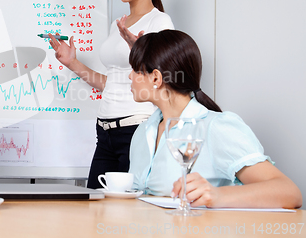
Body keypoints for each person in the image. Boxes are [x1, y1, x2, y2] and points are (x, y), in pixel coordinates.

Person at [128, 29, 302, 208]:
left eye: (134, 70)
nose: (129, 76)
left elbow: (289, 193)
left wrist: (217, 195)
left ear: (156, 78)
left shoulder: (216, 127)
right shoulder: (143, 131)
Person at [49, 0, 174, 188]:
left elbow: (162, 82)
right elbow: (111, 83)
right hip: (104, 131)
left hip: (137, 129)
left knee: (129, 213)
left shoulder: (160, 21)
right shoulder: (118, 24)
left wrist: (139, 53)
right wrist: (72, 62)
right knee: (93, 209)